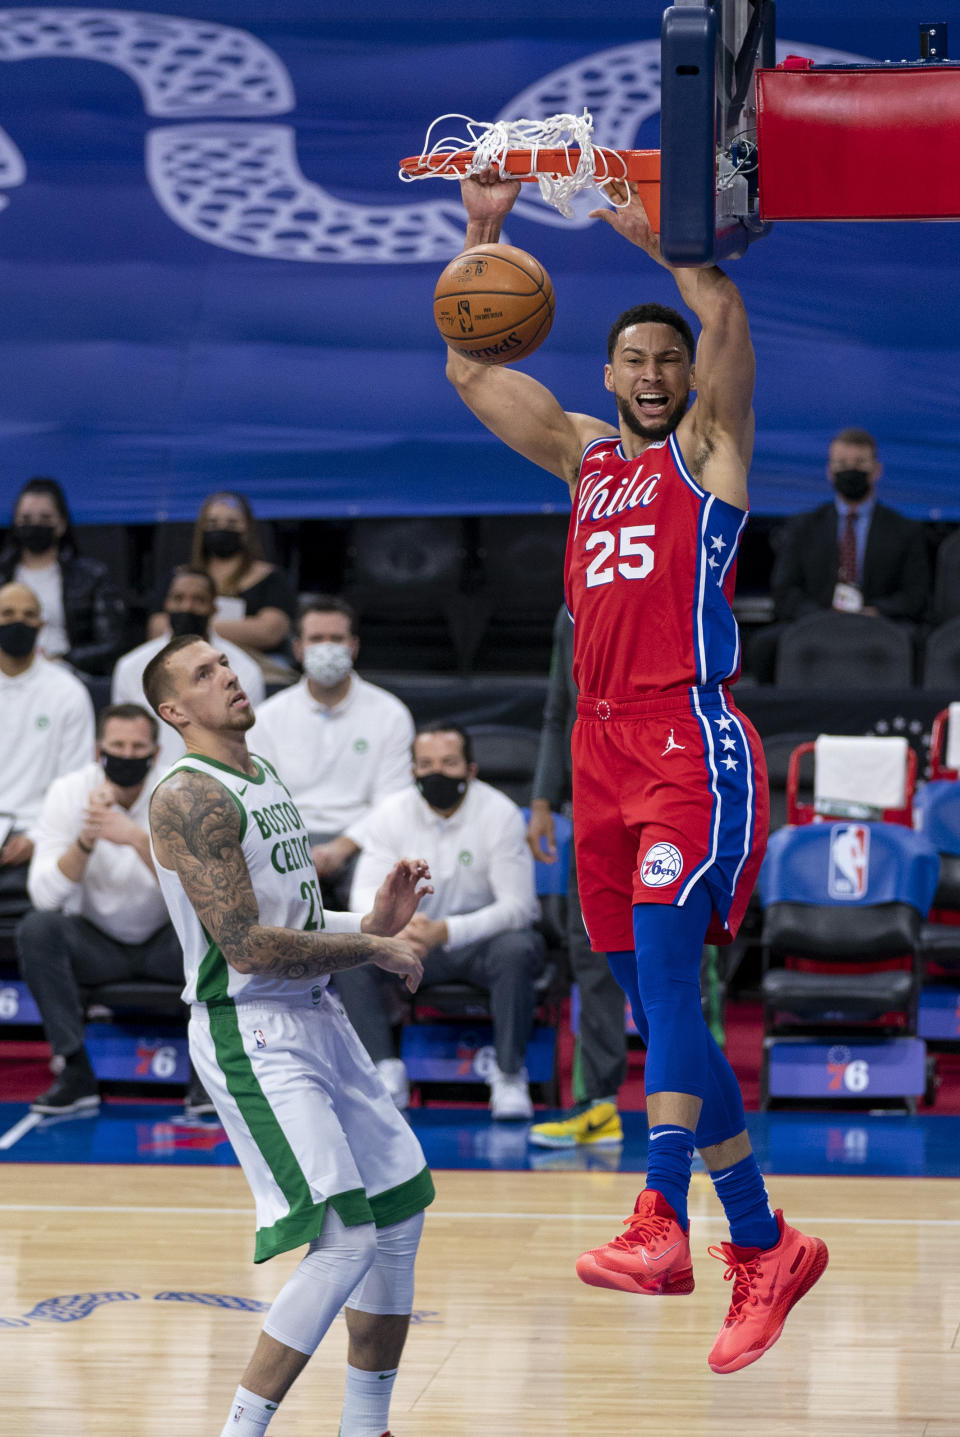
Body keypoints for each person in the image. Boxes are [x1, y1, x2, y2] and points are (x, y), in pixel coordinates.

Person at [442, 169, 827, 1374]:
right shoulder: (582, 462)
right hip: (604, 755)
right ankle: (766, 1244)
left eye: (668, 359)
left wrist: (650, 233)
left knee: (668, 987)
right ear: (606, 379)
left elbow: (720, 313)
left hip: (686, 743)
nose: (657, 373)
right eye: (636, 362)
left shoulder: (706, 457)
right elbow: (467, 371)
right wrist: (483, 239)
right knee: (655, 1006)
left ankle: (663, 1221)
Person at [143, 633, 434, 1437]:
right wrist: (373, 948)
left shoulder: (260, 772)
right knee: (343, 1239)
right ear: (174, 711)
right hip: (250, 1027)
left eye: (225, 663)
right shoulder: (187, 797)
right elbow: (245, 945)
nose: (228, 675)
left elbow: (293, 921)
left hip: (313, 1012)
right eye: (204, 673)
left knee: (400, 1203)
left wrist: (367, 920)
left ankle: (364, 1425)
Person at [337, 722, 545, 1119]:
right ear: (413, 770)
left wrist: (446, 931)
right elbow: (361, 894)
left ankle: (508, 1075)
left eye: (449, 763)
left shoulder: (499, 813)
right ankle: (384, 1069)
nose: (437, 773)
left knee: (518, 947)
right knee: (349, 948)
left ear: (471, 770)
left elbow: (520, 907)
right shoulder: (391, 813)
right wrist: (397, 929)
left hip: (479, 945)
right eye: (426, 764)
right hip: (410, 943)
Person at [16, 703, 191, 1114]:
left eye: (137, 746)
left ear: (154, 753)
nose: (127, 755)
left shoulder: (180, 792)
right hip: (98, 946)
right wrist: (87, 839)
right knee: (37, 928)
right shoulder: (69, 792)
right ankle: (75, 1071)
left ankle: (207, 1078)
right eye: (117, 745)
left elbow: (199, 895)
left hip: (170, 943)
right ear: (99, 751)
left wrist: (136, 839)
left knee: (217, 929)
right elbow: (45, 897)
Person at [526, 604, 627, 1150]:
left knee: (683, 963)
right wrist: (543, 798)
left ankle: (705, 1118)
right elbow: (557, 710)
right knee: (591, 955)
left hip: (663, 801)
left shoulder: (665, 581)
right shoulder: (570, 608)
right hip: (589, 811)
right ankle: (599, 1107)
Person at [252, 596, 415, 909]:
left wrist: (342, 847)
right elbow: (262, 801)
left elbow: (393, 802)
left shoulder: (390, 713)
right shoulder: (267, 717)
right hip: (286, 840)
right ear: (298, 648)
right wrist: (298, 850)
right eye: (317, 639)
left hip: (365, 841)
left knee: (382, 907)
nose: (327, 647)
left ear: (353, 646)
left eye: (336, 639)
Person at [112, 565, 265, 771]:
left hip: (220, 776)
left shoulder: (245, 670)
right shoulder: (131, 666)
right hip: (147, 782)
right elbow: (123, 735)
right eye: (178, 598)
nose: (187, 607)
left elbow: (248, 741)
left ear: (214, 608)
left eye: (199, 600)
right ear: (166, 604)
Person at [772, 428, 930, 624]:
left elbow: (916, 595)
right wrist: (822, 615)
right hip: (816, 625)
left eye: (859, 463)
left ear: (876, 470)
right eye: (842, 464)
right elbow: (784, 591)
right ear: (830, 472)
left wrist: (875, 611)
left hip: (882, 627)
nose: (851, 470)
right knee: (764, 645)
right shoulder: (803, 527)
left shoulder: (905, 530)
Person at [0, 581, 95, 906]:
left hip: (44, 832)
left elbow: (76, 781)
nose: (18, 622)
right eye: (7, 613)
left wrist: (36, 837)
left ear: (41, 625)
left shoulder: (67, 691)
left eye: (28, 615)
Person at [147, 491, 297, 680]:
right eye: (213, 523)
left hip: (256, 665)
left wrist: (196, 625)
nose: (222, 528)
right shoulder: (179, 576)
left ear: (248, 528)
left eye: (232, 523)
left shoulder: (271, 577)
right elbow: (158, 628)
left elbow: (269, 631)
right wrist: (239, 628)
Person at [0, 476, 125, 675]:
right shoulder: (3, 575)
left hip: (69, 673)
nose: (35, 525)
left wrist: (63, 659)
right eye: (26, 519)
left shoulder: (91, 576)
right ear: (15, 522)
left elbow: (111, 642)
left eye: (45, 519)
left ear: (61, 524)